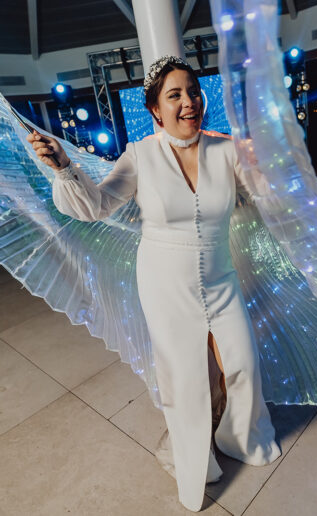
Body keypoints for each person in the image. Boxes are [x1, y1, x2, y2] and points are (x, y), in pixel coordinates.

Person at [26, 55, 282, 513]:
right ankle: (196, 464)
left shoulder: (227, 150)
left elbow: (268, 196)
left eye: (193, 92)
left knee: (243, 362)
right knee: (186, 379)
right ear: (155, 110)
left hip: (220, 276)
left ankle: (240, 437)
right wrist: (63, 168)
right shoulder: (141, 155)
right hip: (165, 283)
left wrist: (268, 160)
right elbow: (97, 205)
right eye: (175, 95)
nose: (189, 102)